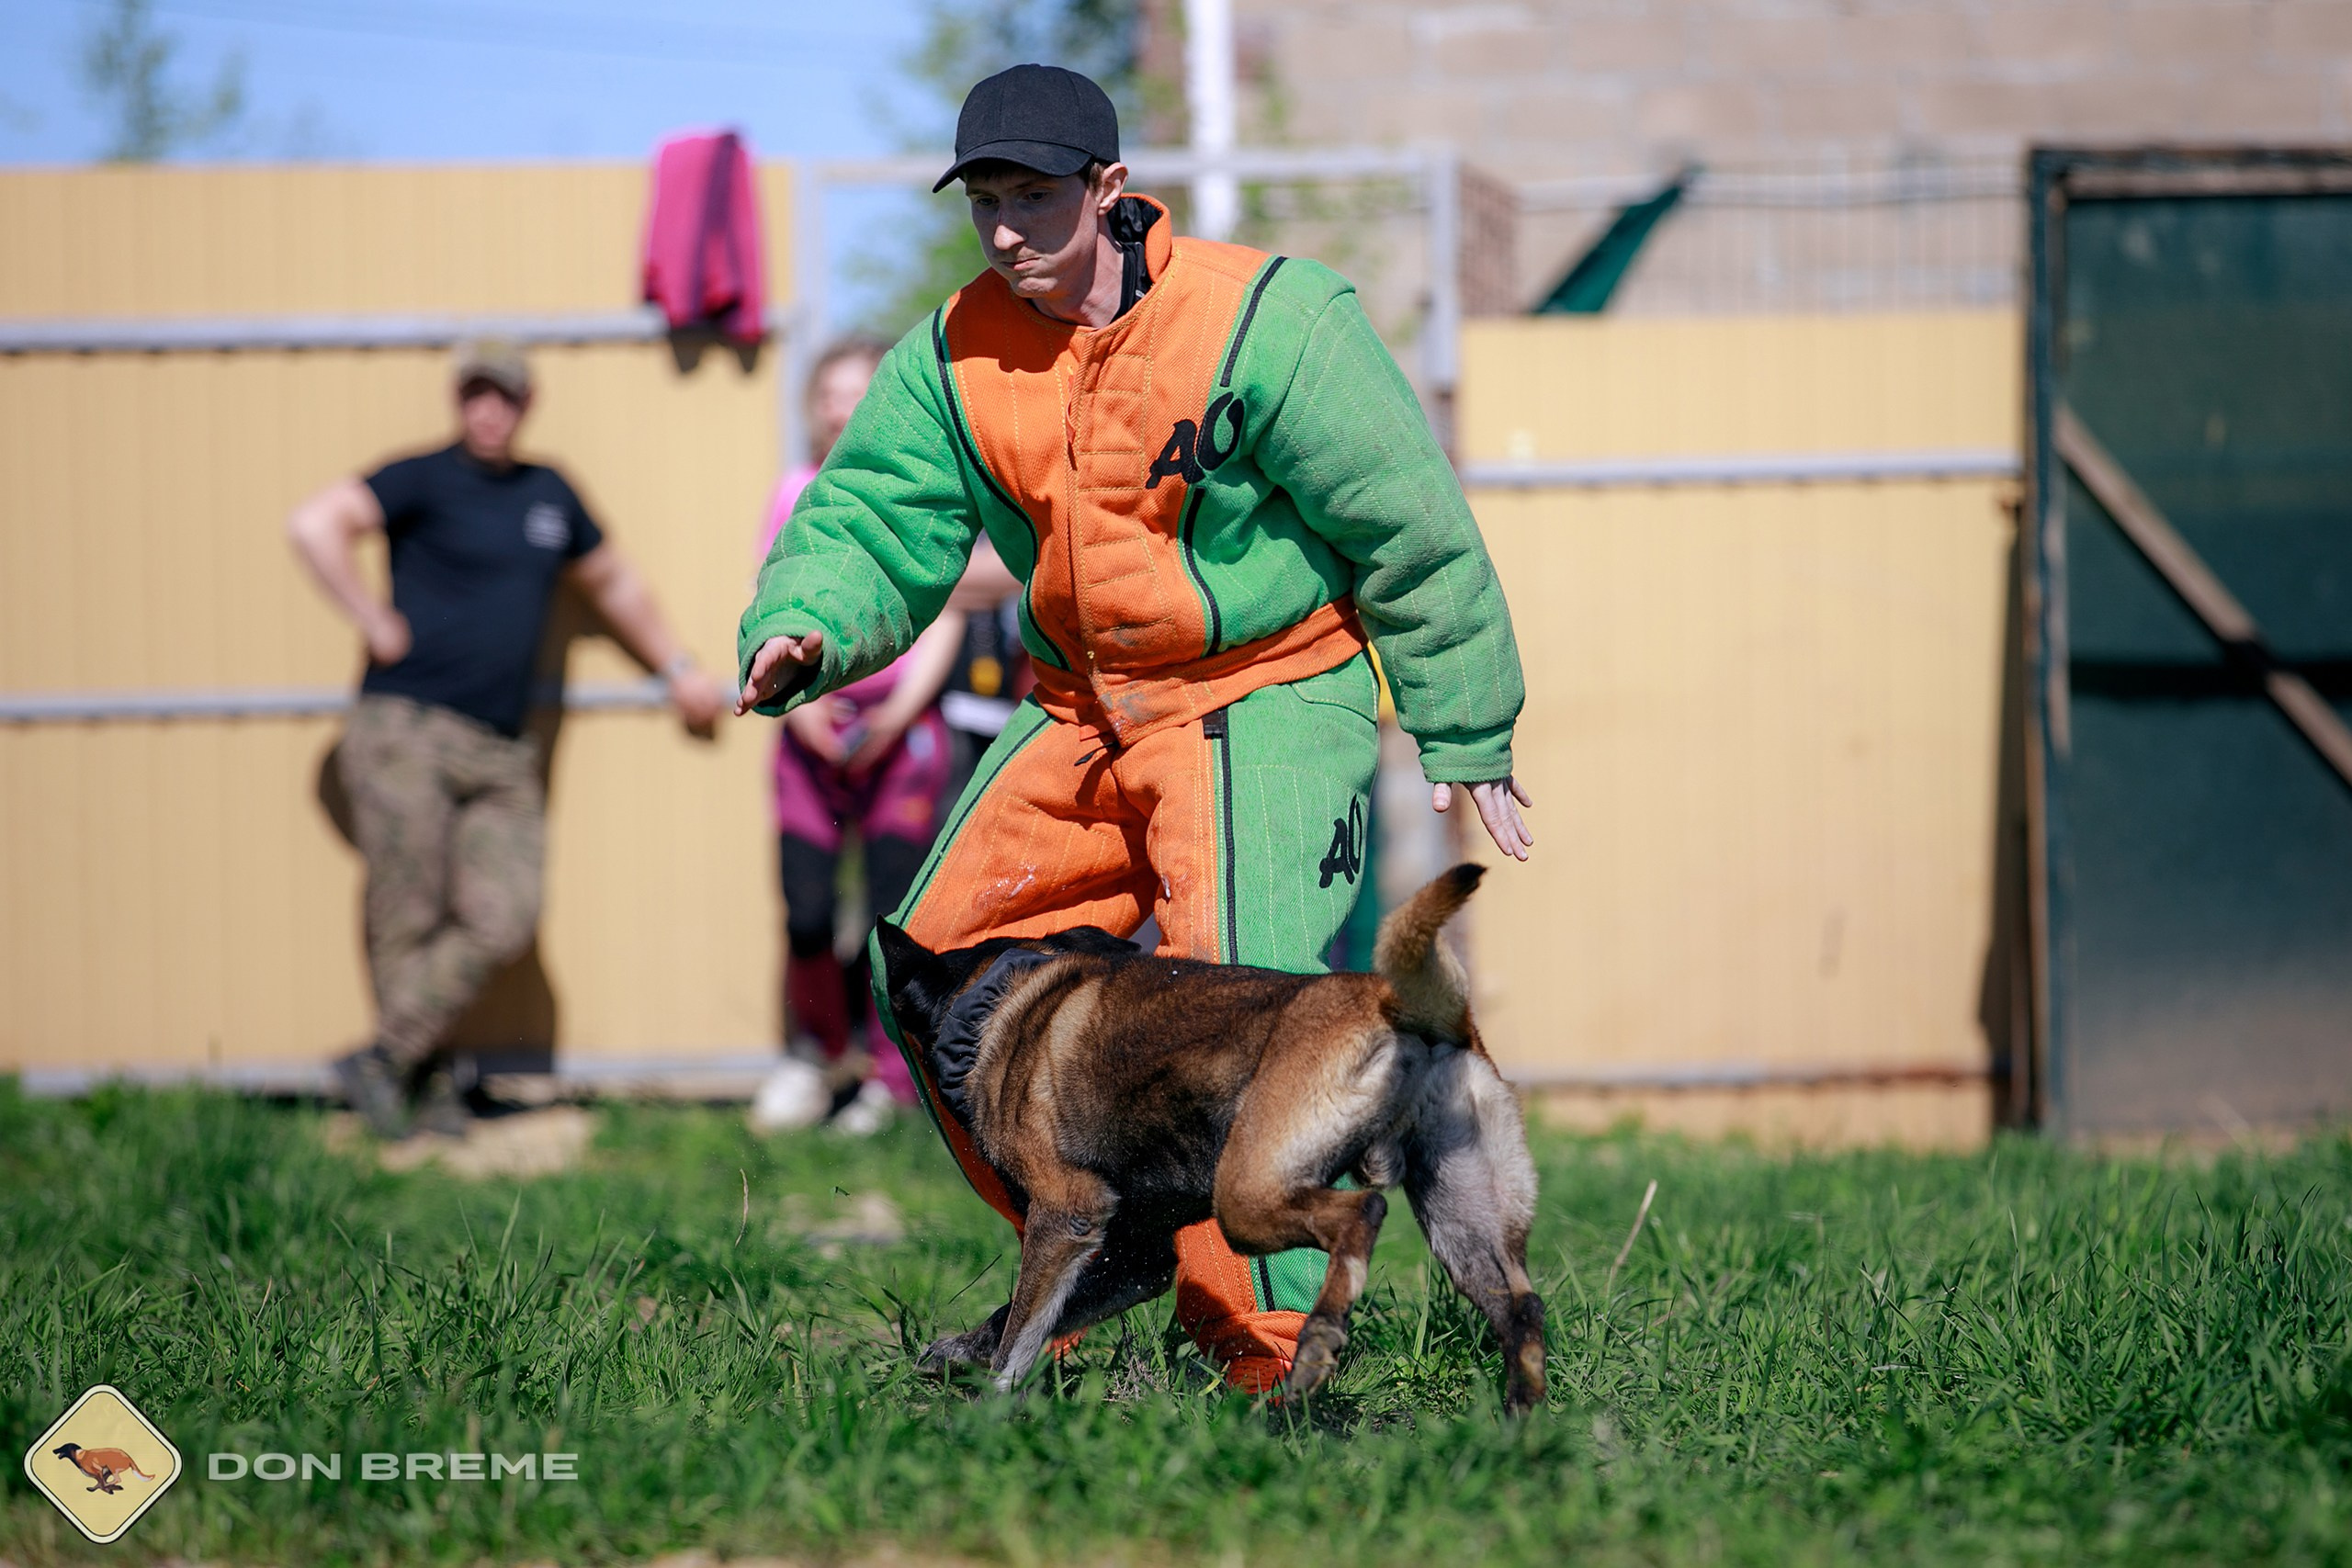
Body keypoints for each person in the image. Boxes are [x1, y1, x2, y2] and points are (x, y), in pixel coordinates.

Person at [736, 64, 1532, 1393]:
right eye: (986, 199)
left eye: (1034, 198)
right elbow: (872, 513)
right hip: (1082, 705)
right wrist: (811, 620)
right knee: (927, 962)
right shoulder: (954, 351)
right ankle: (1112, 1233)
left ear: (1110, 191)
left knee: (1245, 992)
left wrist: (1466, 723)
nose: (1004, 230)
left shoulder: (1271, 321)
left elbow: (1410, 525)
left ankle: (1270, 1365)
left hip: (1261, 692)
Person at [289, 339, 728, 1138]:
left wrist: (676, 668)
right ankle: (423, 1087)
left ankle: (385, 1060)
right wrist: (371, 618)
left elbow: (615, 584)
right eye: (476, 394)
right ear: (458, 401)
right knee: (408, 911)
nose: (489, 410)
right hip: (404, 730)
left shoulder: (549, 494)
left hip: (500, 745)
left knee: (503, 917)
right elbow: (315, 524)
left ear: (527, 406)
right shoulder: (420, 476)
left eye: (505, 397)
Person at [751, 339, 968, 1136]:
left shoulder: (920, 492)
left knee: (891, 917)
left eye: (859, 391)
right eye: (830, 392)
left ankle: (891, 1076)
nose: (844, 407)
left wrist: (899, 713)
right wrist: (799, 705)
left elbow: (945, 610)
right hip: (809, 732)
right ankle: (817, 1058)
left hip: (899, 734)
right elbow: (768, 597)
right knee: (806, 912)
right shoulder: (793, 492)